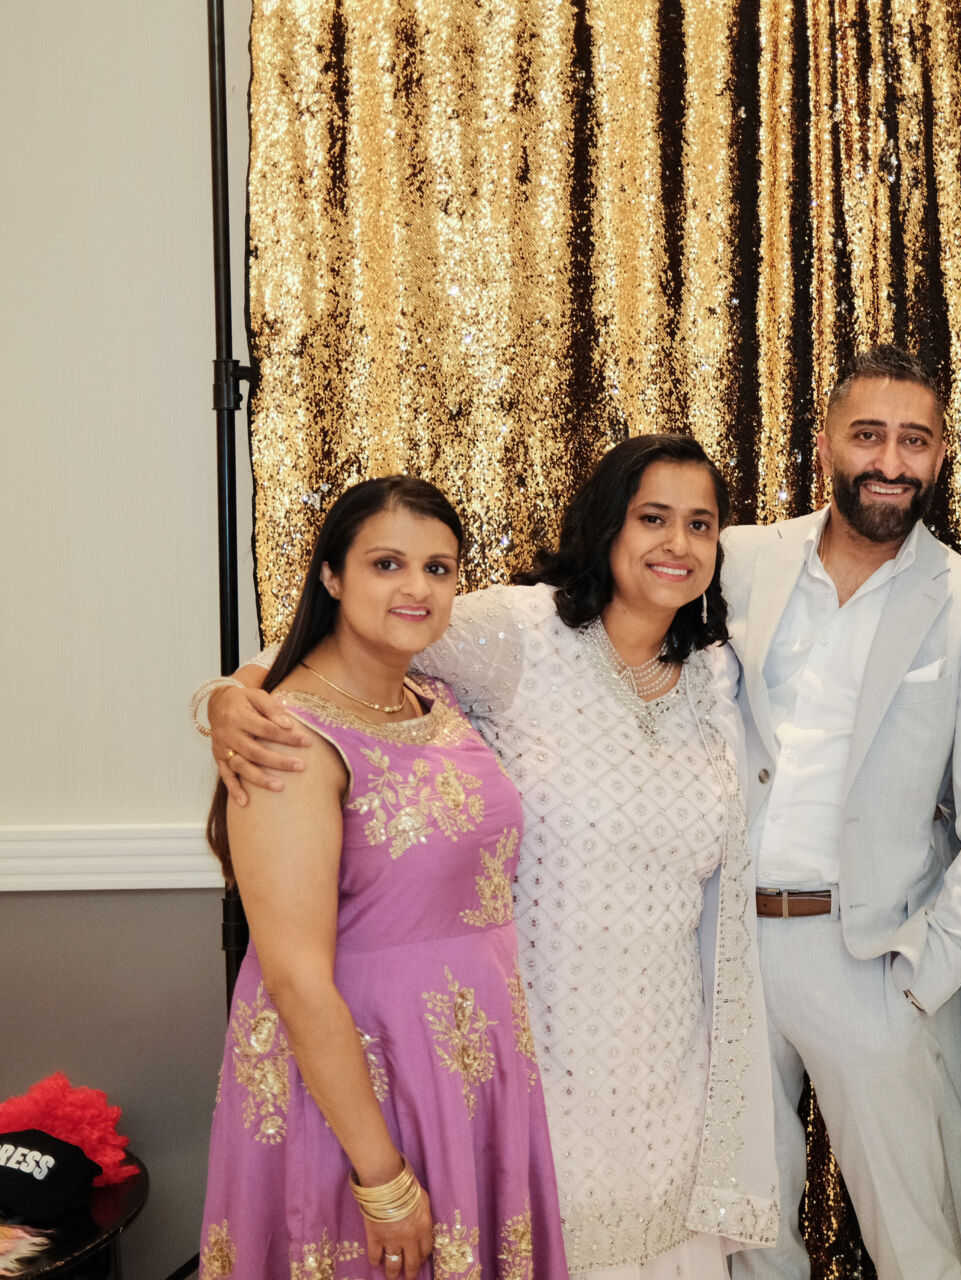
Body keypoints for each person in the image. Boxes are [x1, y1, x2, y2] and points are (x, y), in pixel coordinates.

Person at [202, 437, 779, 1280]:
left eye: (701, 524)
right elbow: (349, 649)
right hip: (517, 1046)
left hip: (654, 1052)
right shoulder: (519, 635)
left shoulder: (716, 679)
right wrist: (226, 696)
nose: (677, 544)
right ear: (606, 526)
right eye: (652, 517)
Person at [719, 345, 961, 1280]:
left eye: (915, 441)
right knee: (744, 1233)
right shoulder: (737, 561)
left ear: (940, 455)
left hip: (867, 959)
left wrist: (918, 979)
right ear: (825, 445)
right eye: (869, 436)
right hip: (725, 951)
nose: (891, 462)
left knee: (915, 1240)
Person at [196, 475, 569, 1280]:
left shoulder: (433, 697)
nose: (417, 588)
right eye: (387, 564)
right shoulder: (287, 741)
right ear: (332, 576)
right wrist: (382, 1178)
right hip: (356, 1084)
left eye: (439, 568)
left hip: (465, 1070)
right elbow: (295, 979)